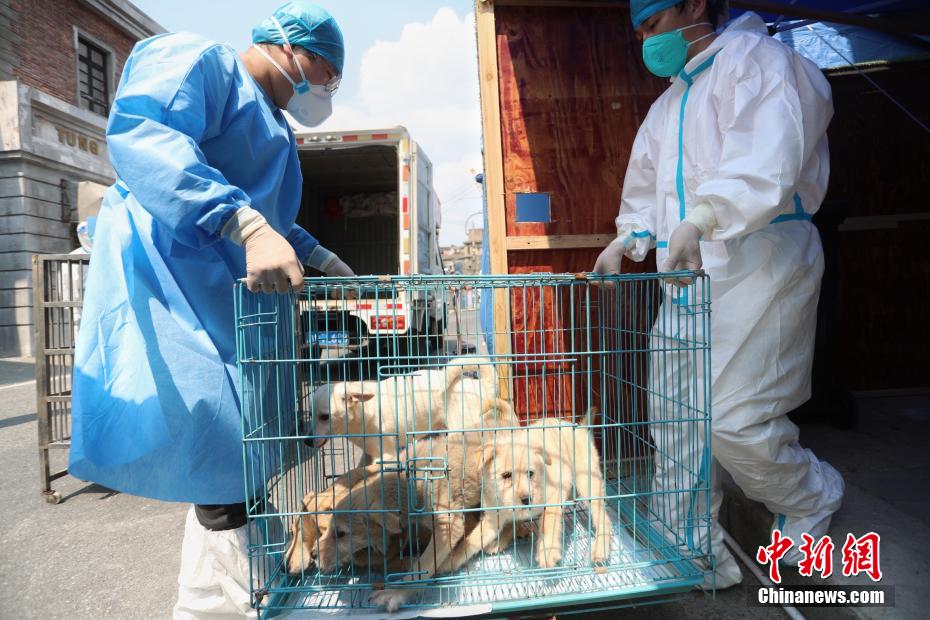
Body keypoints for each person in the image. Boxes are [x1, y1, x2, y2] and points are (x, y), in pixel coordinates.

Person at [68, 2, 353, 616]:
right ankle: (243, 601)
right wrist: (240, 222)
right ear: (290, 47)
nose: (327, 88)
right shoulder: (200, 62)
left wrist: (318, 253)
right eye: (327, 70)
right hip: (178, 282)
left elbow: (269, 215)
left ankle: (218, 601)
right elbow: (146, 136)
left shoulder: (274, 127)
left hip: (230, 298)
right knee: (224, 460)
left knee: (239, 466)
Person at [593, 0, 845, 588]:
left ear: (696, 6)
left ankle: (812, 494)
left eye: (653, 25)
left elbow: (768, 161)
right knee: (675, 412)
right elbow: (647, 192)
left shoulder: (762, 63)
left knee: (734, 417)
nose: (646, 43)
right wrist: (629, 240)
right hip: (684, 274)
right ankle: (691, 547)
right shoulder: (667, 105)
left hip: (759, 259)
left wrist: (703, 216)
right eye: (639, 33)